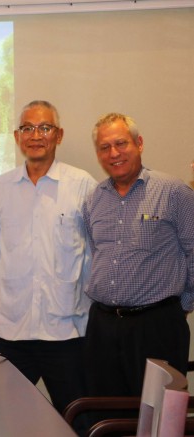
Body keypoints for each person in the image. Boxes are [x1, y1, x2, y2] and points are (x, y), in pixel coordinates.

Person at [0, 100, 97, 416]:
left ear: (58, 135)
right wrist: (21, 274)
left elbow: (94, 250)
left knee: (80, 421)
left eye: (45, 127)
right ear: (17, 137)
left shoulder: (82, 185)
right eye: (28, 128)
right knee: (0, 420)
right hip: (10, 328)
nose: (36, 135)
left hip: (66, 330)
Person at [83, 113, 194, 398]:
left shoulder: (174, 192)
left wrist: (176, 308)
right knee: (105, 411)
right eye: (105, 147)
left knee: (159, 412)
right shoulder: (94, 198)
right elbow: (97, 254)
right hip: (103, 327)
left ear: (139, 143)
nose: (114, 153)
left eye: (121, 143)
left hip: (157, 326)